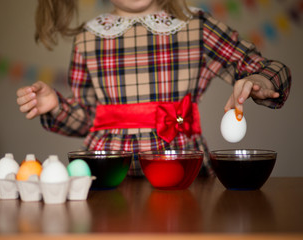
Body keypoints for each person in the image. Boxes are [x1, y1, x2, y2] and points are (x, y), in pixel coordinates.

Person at [16, 0, 291, 176]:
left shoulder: (197, 27)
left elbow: (265, 67)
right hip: (109, 174)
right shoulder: (88, 38)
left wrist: (261, 81)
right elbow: (89, 119)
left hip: (181, 169)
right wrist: (56, 106)